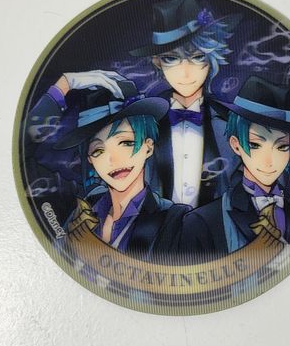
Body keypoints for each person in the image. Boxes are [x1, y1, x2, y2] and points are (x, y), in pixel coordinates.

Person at [180, 76, 290, 256]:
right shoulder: (203, 221)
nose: (269, 161)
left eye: (282, 146)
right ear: (236, 144)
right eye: (255, 145)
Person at [54, 81, 190, 261]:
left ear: (148, 147)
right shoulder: (84, 209)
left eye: (126, 143)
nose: (113, 160)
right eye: (98, 151)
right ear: (90, 160)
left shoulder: (174, 218)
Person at [129, 0, 242, 208]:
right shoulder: (142, 121)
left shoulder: (230, 121)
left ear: (211, 57)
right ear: (157, 62)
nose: (185, 72)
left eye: (197, 57)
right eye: (171, 59)